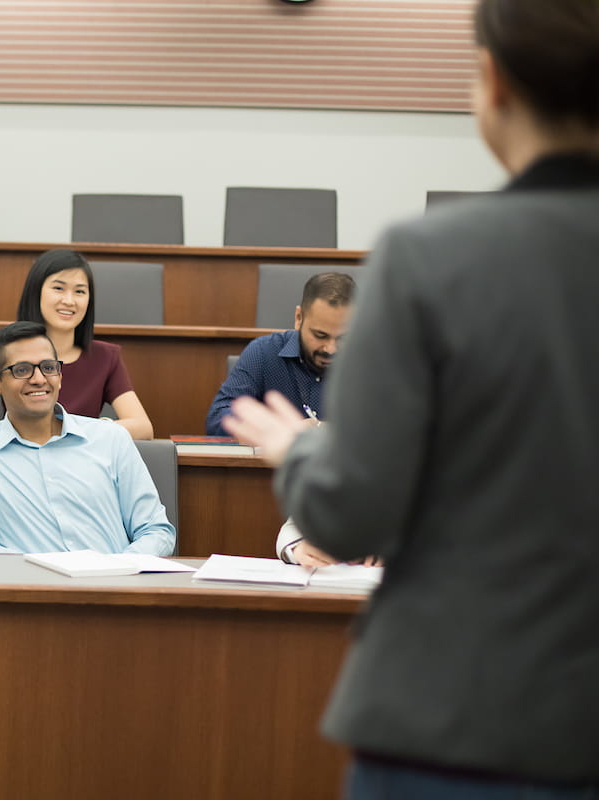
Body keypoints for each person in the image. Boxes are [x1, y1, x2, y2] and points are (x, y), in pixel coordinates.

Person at [224, 0, 599, 794]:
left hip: (455, 720)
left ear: (492, 82)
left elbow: (352, 511)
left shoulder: (431, 261)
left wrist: (303, 450)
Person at [0, 321, 175, 555]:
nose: (39, 379)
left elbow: (155, 531)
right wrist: (41, 573)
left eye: (48, 367)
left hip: (115, 583)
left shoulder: (111, 438)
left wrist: (120, 569)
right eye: (22, 370)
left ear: (60, 376)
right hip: (28, 586)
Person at [0, 248, 154, 439]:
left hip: (81, 465)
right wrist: (18, 433)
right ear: (36, 293)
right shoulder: (9, 351)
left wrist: (75, 432)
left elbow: (142, 427)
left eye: (80, 291)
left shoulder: (107, 356)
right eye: (59, 288)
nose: (69, 301)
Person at [205, 272, 354, 435]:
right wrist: (280, 429)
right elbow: (218, 419)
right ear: (299, 318)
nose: (330, 349)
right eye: (320, 335)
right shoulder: (263, 353)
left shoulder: (372, 363)